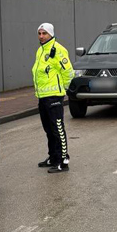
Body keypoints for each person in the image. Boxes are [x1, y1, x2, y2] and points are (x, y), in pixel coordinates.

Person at [33, 23, 74, 173]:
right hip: (42, 97)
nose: (41, 36)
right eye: (39, 33)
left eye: (44, 33)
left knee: (58, 129)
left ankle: (63, 161)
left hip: (54, 96)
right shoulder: (40, 50)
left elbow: (68, 72)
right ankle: (53, 157)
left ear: (51, 34)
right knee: (48, 129)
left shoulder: (58, 49)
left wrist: (64, 90)